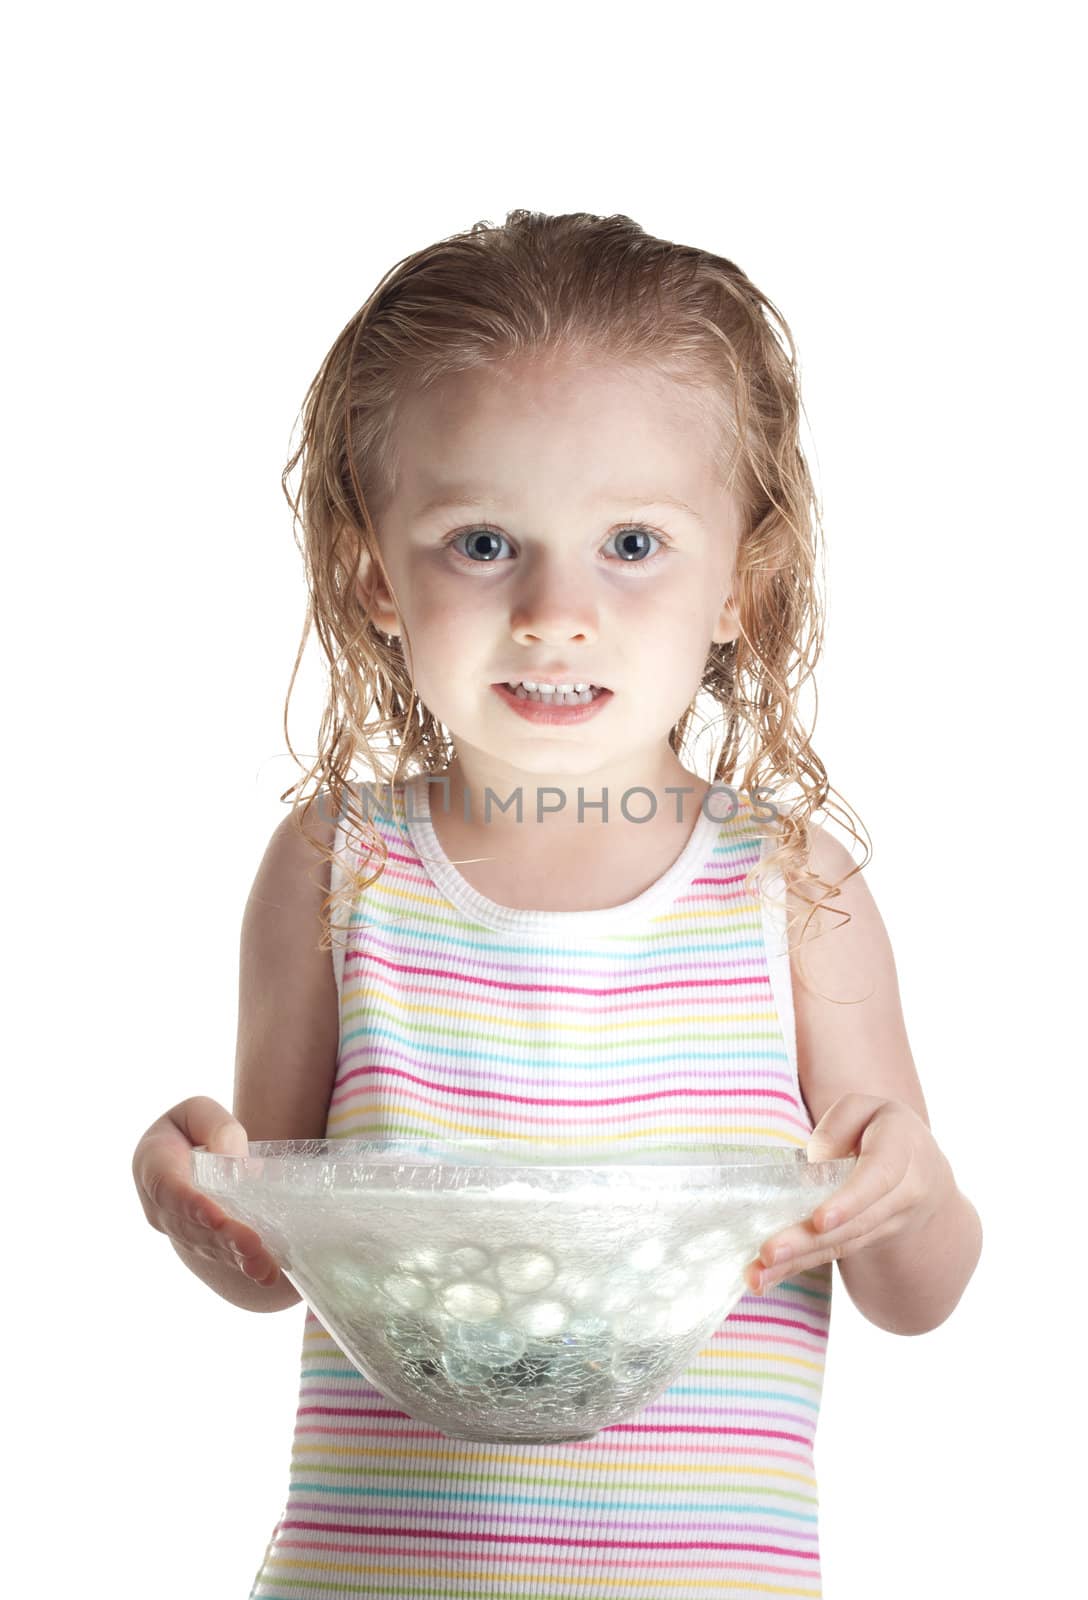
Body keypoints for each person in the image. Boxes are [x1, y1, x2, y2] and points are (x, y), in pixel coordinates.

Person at [132, 209, 983, 1599]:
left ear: (741, 589)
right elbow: (277, 1263)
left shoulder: (789, 888)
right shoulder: (335, 867)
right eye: (481, 543)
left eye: (632, 544)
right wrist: (193, 1196)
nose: (554, 611)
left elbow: (919, 1292)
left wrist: (908, 1187)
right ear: (373, 575)